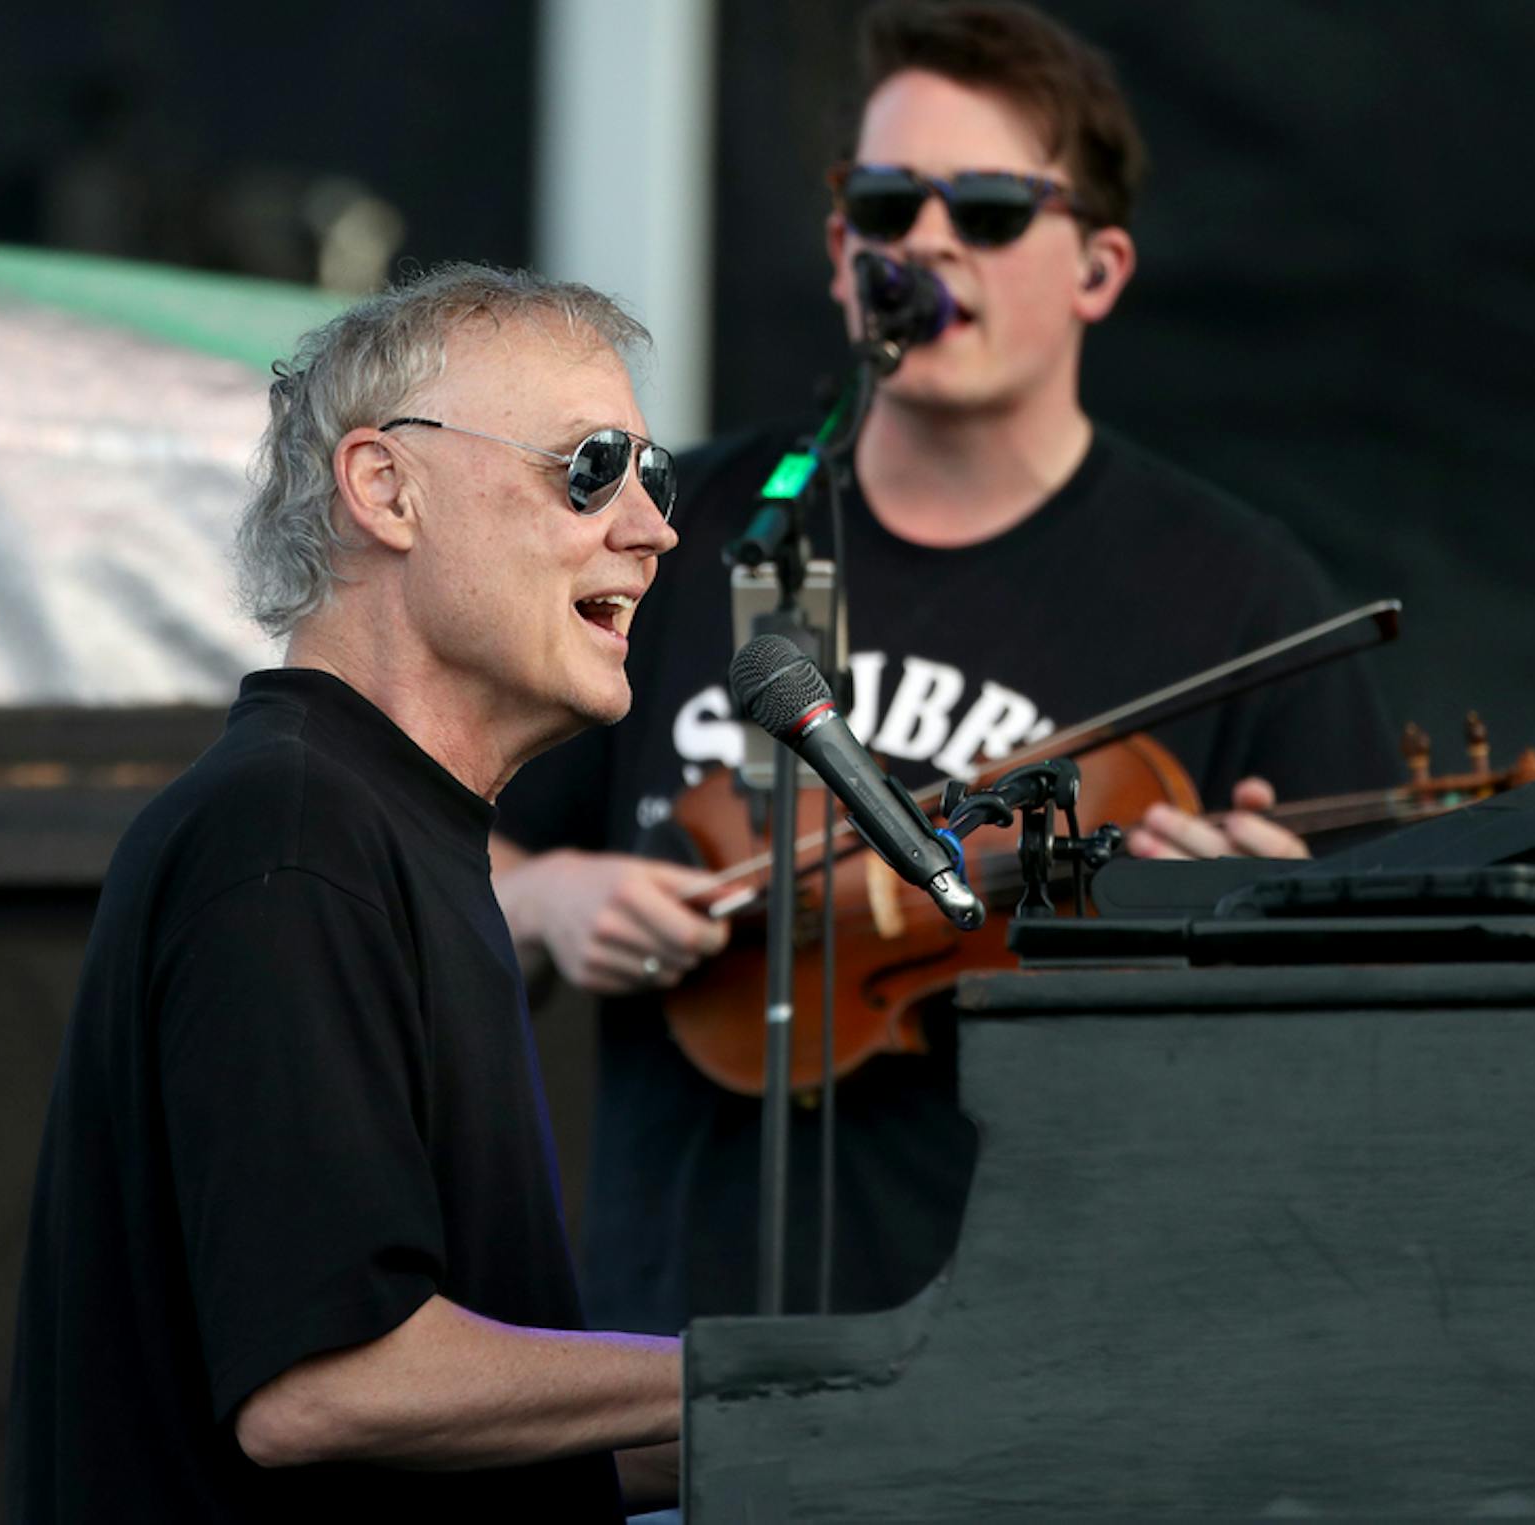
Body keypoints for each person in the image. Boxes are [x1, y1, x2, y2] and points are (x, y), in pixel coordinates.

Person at [492, 0, 1399, 1333]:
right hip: (668, 1354)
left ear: (1098, 268)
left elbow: (1375, 1022)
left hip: (1046, 1355)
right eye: (884, 203)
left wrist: (1249, 925)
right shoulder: (677, 533)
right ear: (838, 250)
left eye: (986, 209)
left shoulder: (1237, 594)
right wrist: (548, 897)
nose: (923, 240)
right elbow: (435, 850)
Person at [6, 265, 684, 1520]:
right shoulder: (292, 830)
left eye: (658, 476)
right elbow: (325, 1381)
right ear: (385, 487)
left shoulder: (378, 827)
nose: (651, 528)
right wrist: (740, 1380)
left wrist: (828, 1419)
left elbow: (477, 1440)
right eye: (592, 467)